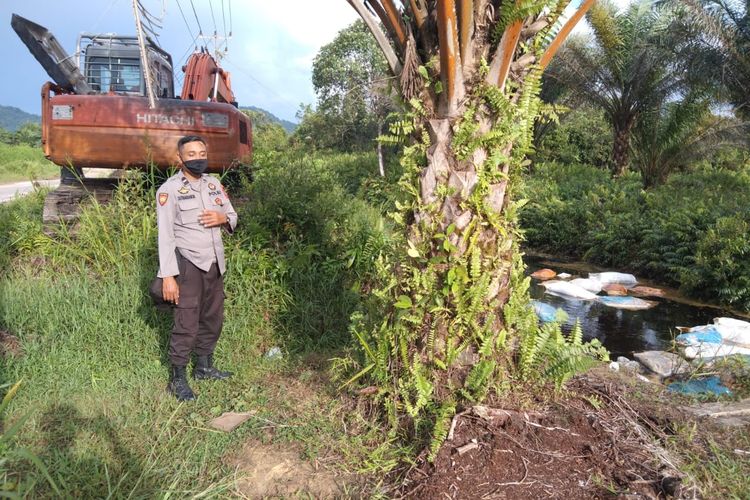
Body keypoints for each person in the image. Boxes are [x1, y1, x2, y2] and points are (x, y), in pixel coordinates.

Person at [156, 135, 238, 401]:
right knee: (186, 323)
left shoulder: (214, 185)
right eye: (191, 154)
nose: (198, 157)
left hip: (215, 264)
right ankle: (177, 379)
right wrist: (168, 276)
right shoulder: (169, 190)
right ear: (179, 159)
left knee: (213, 318)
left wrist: (223, 217)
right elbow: (165, 236)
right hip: (189, 264)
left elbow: (233, 216)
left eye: (202, 152)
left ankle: (204, 368)